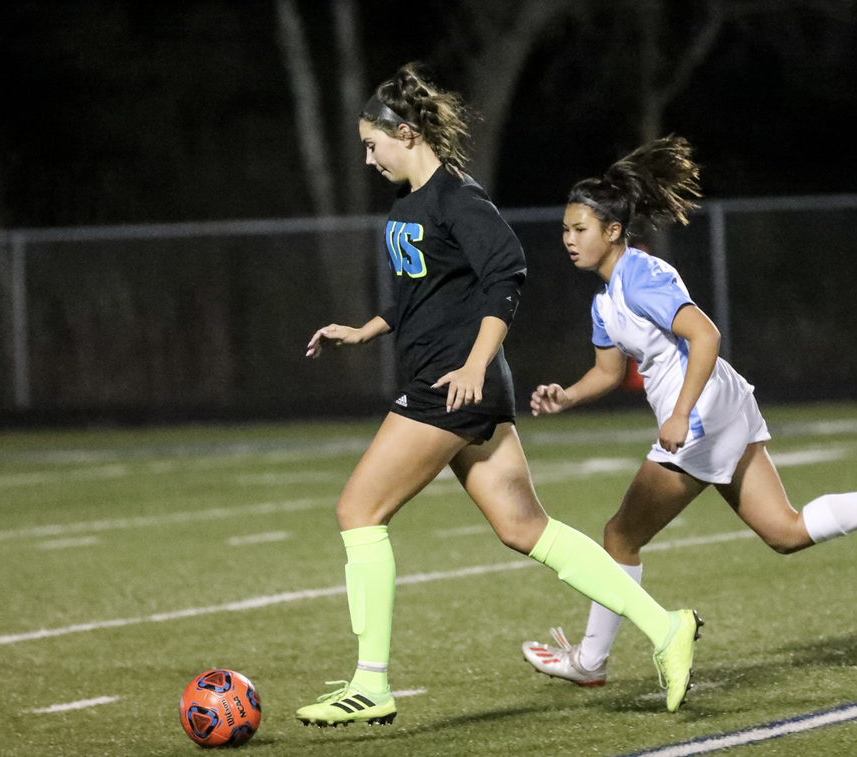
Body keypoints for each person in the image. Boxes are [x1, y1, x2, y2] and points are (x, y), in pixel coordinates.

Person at [296, 64, 703, 727]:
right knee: (525, 528)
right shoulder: (407, 209)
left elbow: (507, 276)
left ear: (406, 132)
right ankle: (665, 628)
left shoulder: (460, 199)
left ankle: (370, 682)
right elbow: (417, 296)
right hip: (457, 384)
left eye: (374, 144)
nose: (368, 158)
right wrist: (365, 329)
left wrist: (475, 362)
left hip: (451, 386)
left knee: (358, 510)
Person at [519, 135, 857, 688]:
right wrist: (567, 395)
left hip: (703, 413)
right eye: (566, 229)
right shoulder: (605, 299)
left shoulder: (638, 277)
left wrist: (680, 414)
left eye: (579, 230)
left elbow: (705, 334)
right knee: (783, 531)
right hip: (723, 406)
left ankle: (589, 663)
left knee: (619, 537)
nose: (568, 240)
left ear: (613, 231)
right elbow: (608, 373)